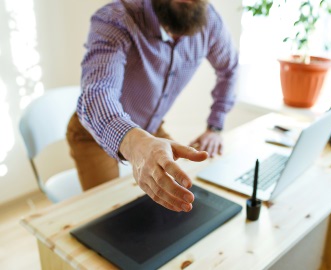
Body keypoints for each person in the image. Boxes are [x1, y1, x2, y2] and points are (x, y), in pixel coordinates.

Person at [66, 0, 238, 212]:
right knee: (111, 217)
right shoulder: (117, 19)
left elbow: (229, 69)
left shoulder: (210, 21)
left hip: (151, 128)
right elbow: (97, 93)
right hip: (93, 135)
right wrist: (135, 143)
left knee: (183, 200)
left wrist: (215, 127)